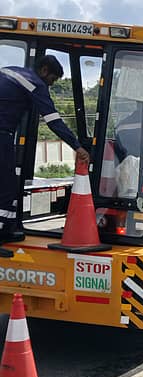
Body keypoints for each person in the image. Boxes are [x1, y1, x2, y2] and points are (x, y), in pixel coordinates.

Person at [0, 55, 90, 257]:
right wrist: (77, 147)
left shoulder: (11, 71)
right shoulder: (35, 84)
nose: (50, 85)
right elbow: (53, 121)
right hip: (2, 135)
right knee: (6, 188)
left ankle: (7, 230)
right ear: (44, 71)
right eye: (53, 80)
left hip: (5, 133)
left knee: (9, 186)